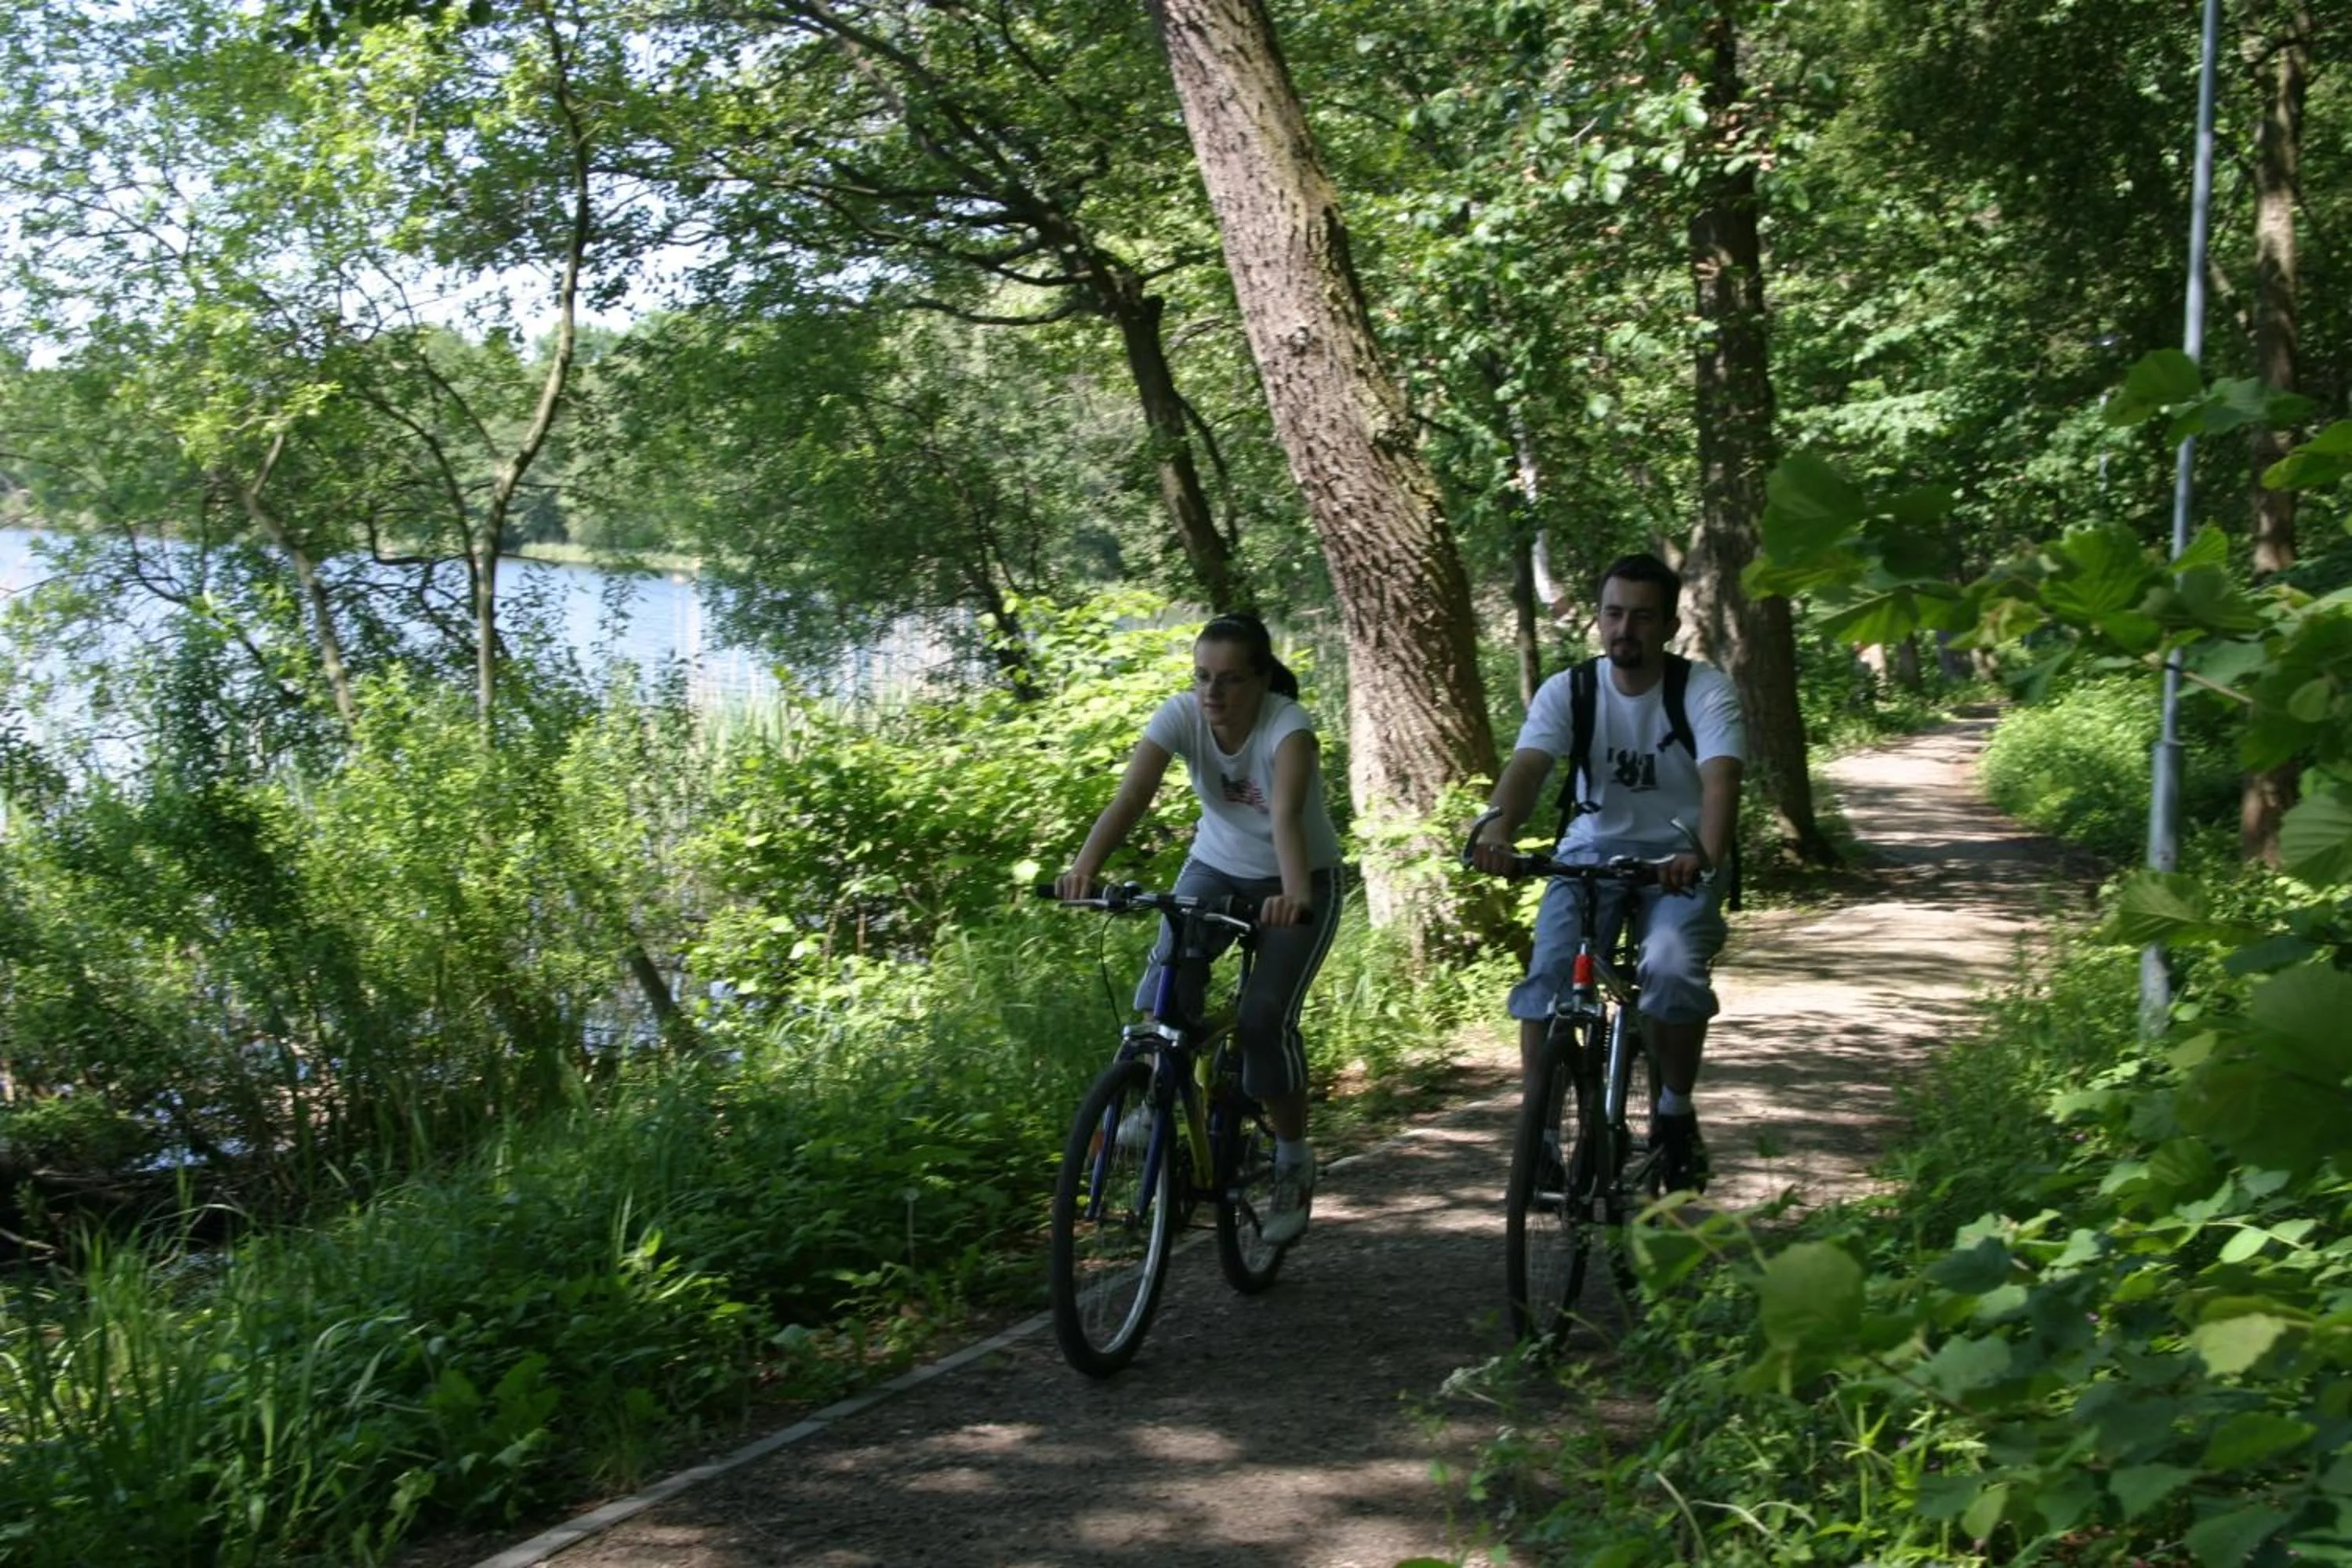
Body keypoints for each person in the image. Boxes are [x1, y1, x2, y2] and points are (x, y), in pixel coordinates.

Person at [1056, 612, 1346, 1245]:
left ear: (1262, 680)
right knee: (1167, 981)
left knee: (1263, 1018)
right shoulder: (1180, 716)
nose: (1213, 692)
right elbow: (1132, 798)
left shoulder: (1288, 728)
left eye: (1231, 679)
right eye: (1202, 677)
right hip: (1215, 867)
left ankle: (1293, 1162)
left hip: (1301, 879)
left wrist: (1295, 894)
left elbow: (1286, 816)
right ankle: (1156, 1098)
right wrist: (1084, 869)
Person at [1467, 553, 1744, 1191]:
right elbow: (1529, 766)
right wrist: (1497, 831)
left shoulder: (1703, 691)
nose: (1625, 629)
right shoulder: (1571, 690)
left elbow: (1721, 779)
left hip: (1678, 860)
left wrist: (1703, 854)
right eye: (1614, 614)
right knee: (1549, 977)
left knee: (1671, 971)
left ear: (1669, 626)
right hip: (1590, 855)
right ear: (1597, 618)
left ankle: (1674, 1113)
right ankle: (1539, 1135)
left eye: (1642, 617)